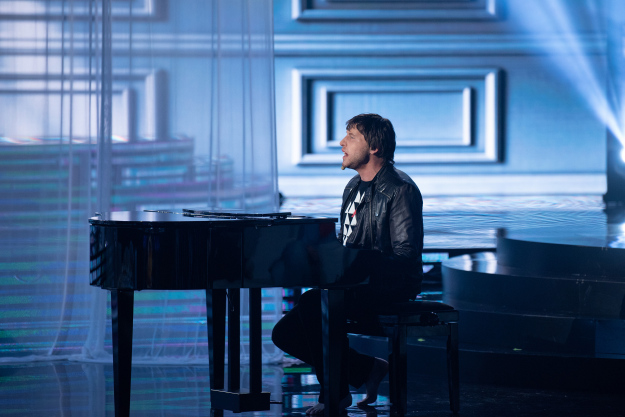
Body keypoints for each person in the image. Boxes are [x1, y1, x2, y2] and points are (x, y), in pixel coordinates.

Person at [272, 113, 424, 415]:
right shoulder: (353, 186)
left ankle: (335, 395)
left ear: (374, 147)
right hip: (356, 283)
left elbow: (406, 256)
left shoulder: (400, 189)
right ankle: (367, 368)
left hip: (389, 286)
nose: (342, 143)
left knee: (314, 303)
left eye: (351, 137)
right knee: (284, 333)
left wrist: (354, 264)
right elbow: (347, 242)